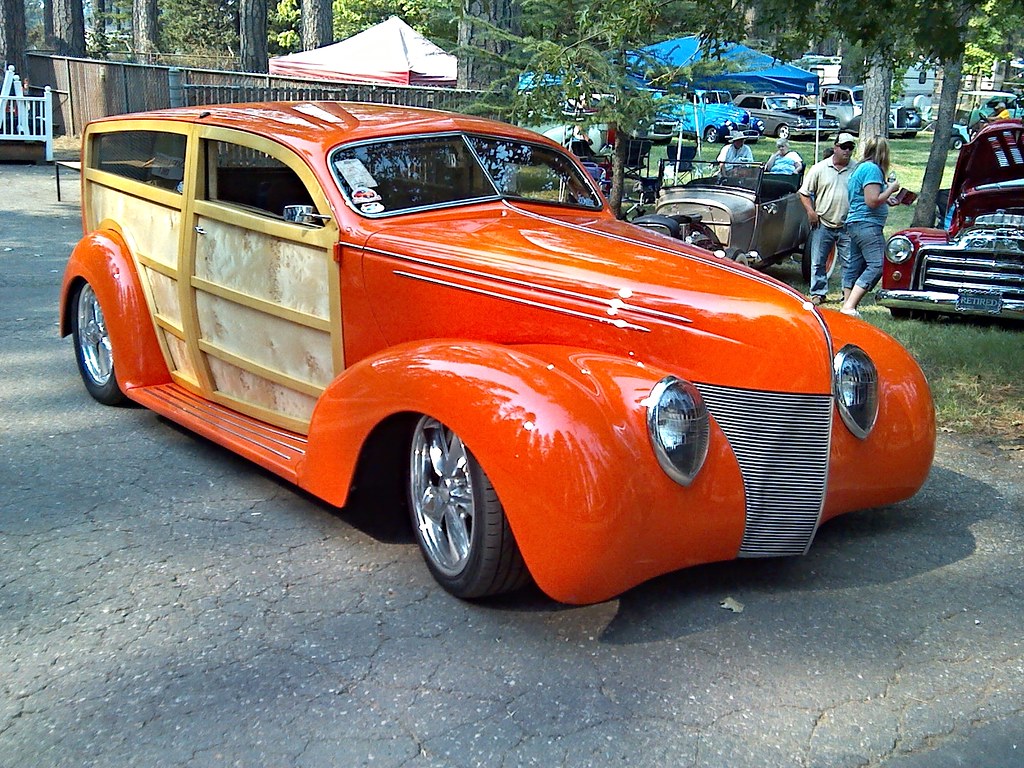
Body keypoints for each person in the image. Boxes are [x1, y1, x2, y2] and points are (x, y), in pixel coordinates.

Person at [840, 135, 902, 317]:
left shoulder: (860, 168)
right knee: (878, 264)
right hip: (867, 224)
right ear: (884, 153)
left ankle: (846, 307)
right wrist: (891, 188)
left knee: (854, 265)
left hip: (856, 222)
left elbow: (866, 196)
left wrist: (887, 199)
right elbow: (872, 200)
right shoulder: (872, 169)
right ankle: (849, 306)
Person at [798, 132, 856, 306]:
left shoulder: (857, 169)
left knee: (849, 262)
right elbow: (804, 192)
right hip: (823, 222)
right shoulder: (820, 168)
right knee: (817, 261)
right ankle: (818, 293)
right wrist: (810, 211)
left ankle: (848, 294)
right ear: (835, 147)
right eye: (844, 147)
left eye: (851, 147)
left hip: (847, 223)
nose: (847, 151)